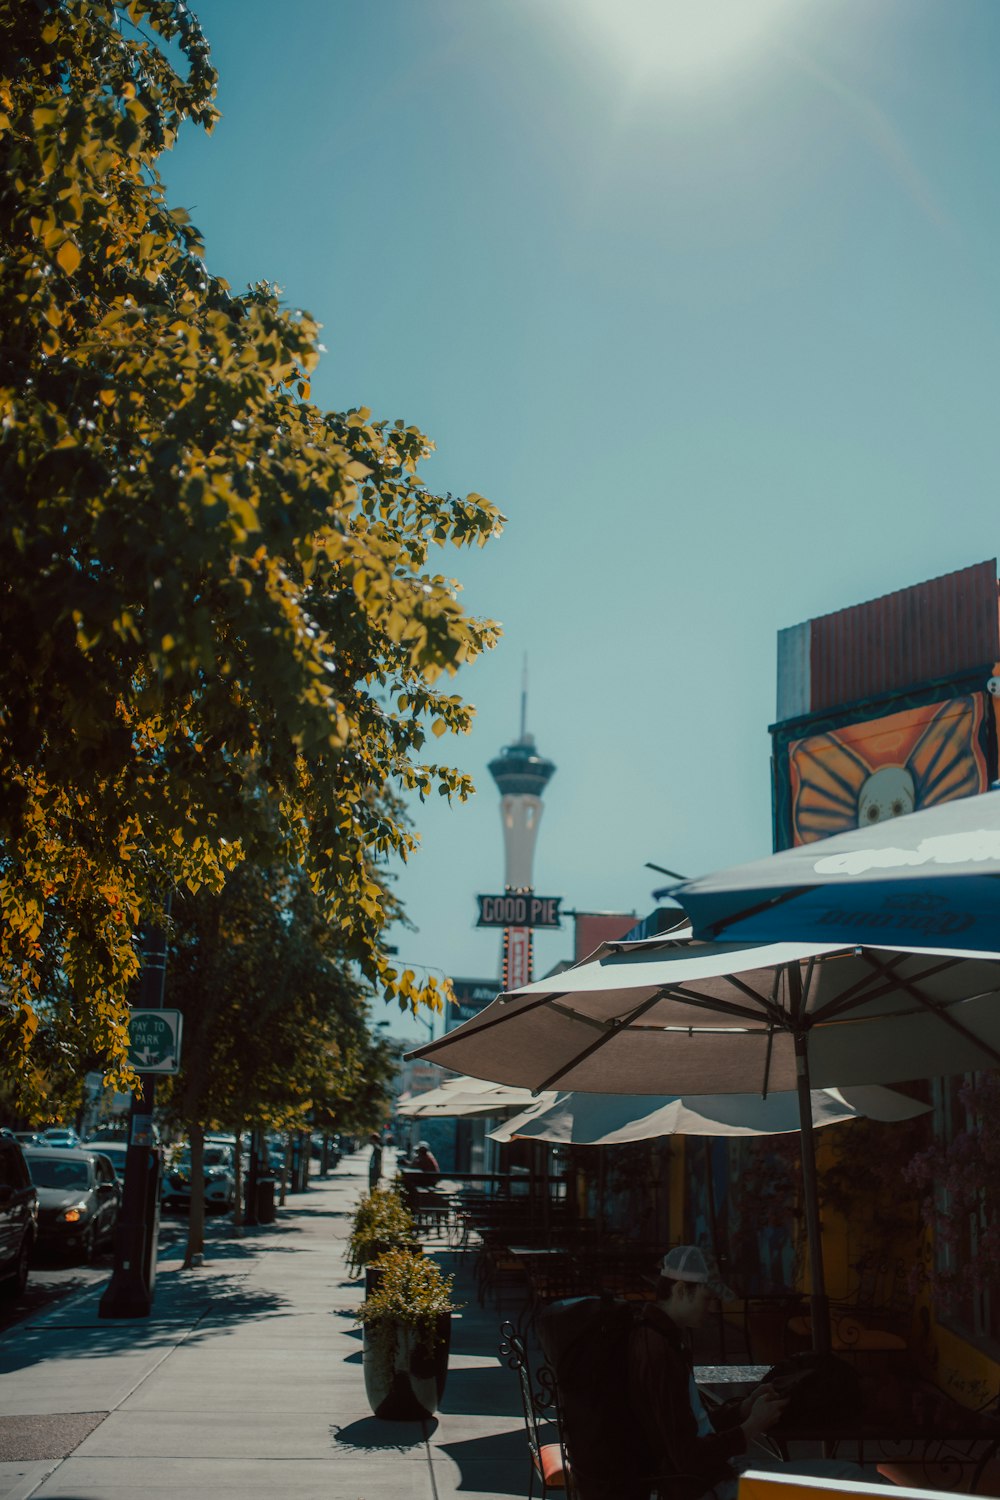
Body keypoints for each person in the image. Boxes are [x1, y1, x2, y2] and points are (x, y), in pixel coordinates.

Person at [628, 1245, 874, 1500]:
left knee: (847, 1476)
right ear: (681, 1291)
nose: (711, 1308)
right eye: (707, 1298)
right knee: (851, 1479)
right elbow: (687, 1457)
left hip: (715, 1479)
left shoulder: (664, 1341)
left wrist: (744, 1408)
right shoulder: (659, 1353)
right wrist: (751, 1426)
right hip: (708, 1489)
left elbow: (693, 1428)